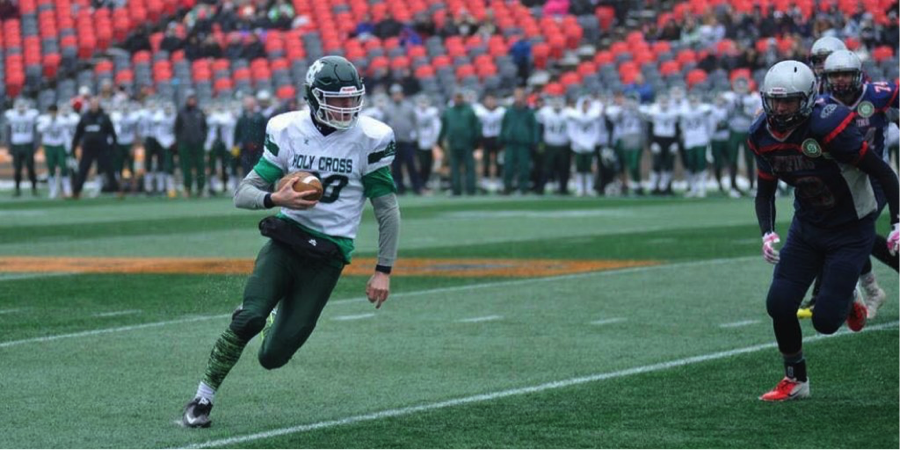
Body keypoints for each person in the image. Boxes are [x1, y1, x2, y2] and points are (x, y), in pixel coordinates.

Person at [181, 55, 400, 428]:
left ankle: (269, 318)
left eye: (352, 99)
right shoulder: (287, 129)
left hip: (327, 257)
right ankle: (203, 398)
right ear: (313, 98)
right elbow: (242, 193)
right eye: (337, 100)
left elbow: (387, 209)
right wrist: (275, 199)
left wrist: (383, 270)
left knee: (273, 356)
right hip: (286, 242)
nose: (346, 108)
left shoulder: (372, 137)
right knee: (247, 318)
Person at [750, 60, 900, 402]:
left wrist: (897, 222)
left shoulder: (828, 125)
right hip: (808, 227)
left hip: (851, 228)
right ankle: (796, 380)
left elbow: (884, 173)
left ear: (806, 98)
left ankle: (846, 298)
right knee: (779, 303)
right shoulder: (761, 134)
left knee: (826, 322)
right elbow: (765, 191)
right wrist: (767, 232)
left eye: (789, 100)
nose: (781, 107)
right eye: (775, 100)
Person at [801, 49, 900, 319]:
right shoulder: (820, 104)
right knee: (856, 235)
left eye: (846, 74)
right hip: (843, 182)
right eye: (835, 75)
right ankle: (867, 291)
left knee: (856, 232)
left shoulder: (878, 94)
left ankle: (857, 291)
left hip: (875, 177)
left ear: (858, 75)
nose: (841, 80)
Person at [71, 96, 119, 198]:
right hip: (88, 148)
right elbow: (78, 134)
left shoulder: (104, 117)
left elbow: (112, 133)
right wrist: (74, 146)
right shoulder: (84, 117)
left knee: (109, 169)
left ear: (98, 105)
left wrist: (114, 147)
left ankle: (117, 190)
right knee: (83, 169)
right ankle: (76, 191)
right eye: (92, 104)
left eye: (95, 104)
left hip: (102, 148)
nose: (94, 106)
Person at [438, 90, 481, 196]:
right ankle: (456, 190)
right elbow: (444, 127)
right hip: (453, 144)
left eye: (460, 97)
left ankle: (471, 189)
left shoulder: (469, 111)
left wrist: (476, 141)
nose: (458, 99)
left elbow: (476, 127)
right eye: (456, 97)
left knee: (469, 168)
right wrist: (439, 140)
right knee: (454, 168)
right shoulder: (448, 112)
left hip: (467, 144)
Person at [383, 84, 421, 194]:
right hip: (393, 142)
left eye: (398, 94)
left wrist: (416, 136)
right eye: (394, 94)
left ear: (402, 94)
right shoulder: (388, 109)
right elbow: (383, 123)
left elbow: (415, 122)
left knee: (411, 165)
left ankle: (416, 187)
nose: (396, 96)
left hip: (407, 141)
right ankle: (400, 187)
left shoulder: (409, 107)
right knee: (396, 166)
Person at [500, 87, 539, 194]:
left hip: (524, 144)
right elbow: (504, 126)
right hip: (510, 143)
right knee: (508, 167)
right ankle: (507, 187)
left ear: (524, 98)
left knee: (524, 167)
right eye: (516, 96)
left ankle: (523, 187)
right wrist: (502, 139)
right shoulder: (508, 111)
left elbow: (534, 128)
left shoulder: (529, 112)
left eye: (520, 96)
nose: (518, 98)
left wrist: (535, 141)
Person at [728, 77, 762, 194]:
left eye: (743, 86)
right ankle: (733, 186)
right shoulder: (731, 99)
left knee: (750, 159)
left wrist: (744, 110)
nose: (741, 89)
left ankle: (752, 185)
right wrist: (734, 106)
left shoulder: (753, 99)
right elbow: (726, 115)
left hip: (748, 131)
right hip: (734, 131)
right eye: (739, 86)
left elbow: (756, 115)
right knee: (732, 159)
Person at [642, 93, 680, 195]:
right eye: (662, 101)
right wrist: (651, 143)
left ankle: (665, 187)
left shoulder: (674, 111)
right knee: (656, 164)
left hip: (670, 140)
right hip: (657, 140)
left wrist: (676, 142)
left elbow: (677, 128)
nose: (664, 103)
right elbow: (649, 129)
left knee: (669, 164)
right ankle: (654, 186)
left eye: (665, 101)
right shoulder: (653, 111)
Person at [175, 92, 209, 197]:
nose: (192, 101)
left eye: (193, 99)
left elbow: (204, 128)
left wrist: (202, 139)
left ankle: (201, 189)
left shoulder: (199, 112)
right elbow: (177, 129)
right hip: (185, 144)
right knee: (186, 167)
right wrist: (181, 141)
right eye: (190, 99)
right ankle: (187, 189)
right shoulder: (181, 113)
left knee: (200, 166)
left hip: (198, 144)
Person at [678, 93, 713, 198]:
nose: (693, 103)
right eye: (691, 100)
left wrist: (708, 136)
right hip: (689, 140)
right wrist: (683, 135)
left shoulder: (703, 109)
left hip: (701, 139)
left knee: (701, 163)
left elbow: (709, 113)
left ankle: (702, 188)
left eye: (695, 100)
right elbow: (682, 124)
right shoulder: (684, 110)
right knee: (691, 164)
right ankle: (693, 188)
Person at [535, 95, 571, 195]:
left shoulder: (568, 113)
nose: (557, 104)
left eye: (559, 101)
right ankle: (540, 188)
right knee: (546, 168)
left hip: (563, 145)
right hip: (549, 145)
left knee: (563, 169)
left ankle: (563, 188)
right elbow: (539, 127)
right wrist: (540, 141)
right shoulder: (545, 112)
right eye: (555, 101)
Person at [4, 98, 39, 196]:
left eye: (23, 105)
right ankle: (17, 189)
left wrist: (35, 145)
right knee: (17, 169)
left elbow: (36, 131)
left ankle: (34, 189)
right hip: (16, 145)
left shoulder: (31, 115)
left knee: (31, 168)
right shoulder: (11, 115)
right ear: (15, 107)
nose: (21, 108)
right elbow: (8, 132)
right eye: (19, 106)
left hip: (28, 144)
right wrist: (9, 146)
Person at [566, 96, 601, 196]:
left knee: (589, 168)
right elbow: (571, 131)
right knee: (579, 168)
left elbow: (596, 131)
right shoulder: (575, 115)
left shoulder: (593, 116)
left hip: (590, 146)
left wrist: (591, 143)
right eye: (584, 104)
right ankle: (580, 188)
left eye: (587, 104)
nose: (586, 106)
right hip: (578, 146)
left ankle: (589, 188)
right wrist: (578, 142)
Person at [37, 104, 71, 199]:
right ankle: (52, 190)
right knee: (51, 168)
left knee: (64, 168)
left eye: (54, 111)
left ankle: (67, 189)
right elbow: (40, 129)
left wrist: (68, 148)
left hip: (60, 145)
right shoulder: (44, 119)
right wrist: (50, 121)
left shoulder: (62, 120)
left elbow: (66, 135)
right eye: (51, 111)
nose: (53, 113)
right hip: (49, 145)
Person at [473, 93, 505, 191]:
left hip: (497, 138)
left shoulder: (501, 111)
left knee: (499, 161)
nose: (490, 102)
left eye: (492, 100)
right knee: (485, 161)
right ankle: (485, 181)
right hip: (485, 139)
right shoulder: (480, 111)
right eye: (488, 100)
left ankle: (499, 181)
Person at [710, 93, 740, 197]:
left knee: (731, 162)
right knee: (717, 163)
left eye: (722, 99)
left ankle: (733, 185)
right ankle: (719, 184)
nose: (720, 101)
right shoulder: (710, 110)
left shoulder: (728, 110)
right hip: (715, 139)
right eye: (718, 99)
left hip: (727, 138)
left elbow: (731, 120)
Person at [110, 100, 141, 192]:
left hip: (129, 143)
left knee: (132, 167)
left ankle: (134, 188)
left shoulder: (133, 117)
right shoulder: (116, 117)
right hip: (119, 143)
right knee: (118, 167)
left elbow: (136, 132)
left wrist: (134, 146)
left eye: (126, 107)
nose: (124, 109)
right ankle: (119, 188)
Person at [233, 95, 268, 177]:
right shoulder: (242, 117)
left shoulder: (261, 117)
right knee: (246, 169)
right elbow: (237, 132)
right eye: (247, 103)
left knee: (257, 169)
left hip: (258, 148)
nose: (249, 105)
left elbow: (264, 132)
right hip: (245, 149)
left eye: (251, 103)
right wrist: (236, 145)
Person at [413, 95, 441, 192]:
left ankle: (426, 182)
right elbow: (413, 126)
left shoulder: (433, 112)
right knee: (421, 163)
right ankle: (421, 183)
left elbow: (436, 126)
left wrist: (434, 139)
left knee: (428, 164)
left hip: (430, 141)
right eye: (421, 102)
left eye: (425, 102)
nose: (423, 105)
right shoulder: (415, 112)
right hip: (419, 141)